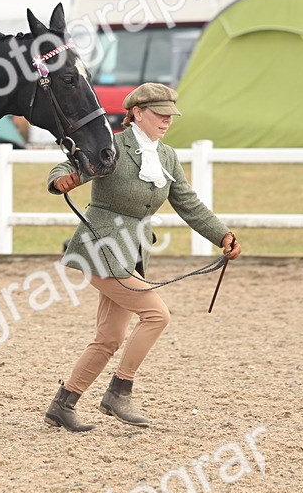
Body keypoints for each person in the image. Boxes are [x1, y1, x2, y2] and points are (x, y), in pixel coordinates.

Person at [42, 83, 241, 431]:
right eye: (159, 115)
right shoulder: (113, 146)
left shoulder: (167, 157)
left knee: (109, 338)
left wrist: (222, 235)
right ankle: (119, 391)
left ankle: (64, 403)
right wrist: (63, 178)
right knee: (156, 314)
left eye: (170, 116)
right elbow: (64, 166)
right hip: (101, 247)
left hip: (131, 254)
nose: (167, 121)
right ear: (136, 113)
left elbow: (189, 204)